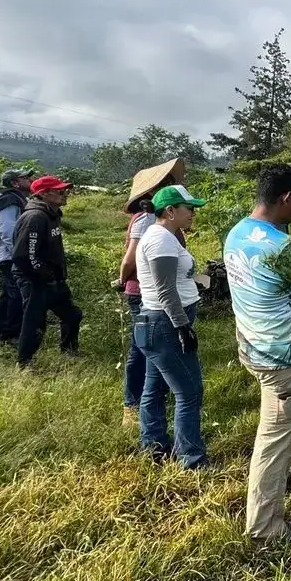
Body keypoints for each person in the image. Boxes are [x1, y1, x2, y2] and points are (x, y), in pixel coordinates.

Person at [223, 164, 291, 543]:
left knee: (274, 432)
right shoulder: (284, 247)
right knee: (274, 439)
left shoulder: (237, 232)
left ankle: (270, 506)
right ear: (286, 198)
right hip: (283, 357)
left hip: (253, 347)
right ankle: (265, 529)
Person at [135, 184, 209, 469]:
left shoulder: (166, 236)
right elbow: (165, 290)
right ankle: (191, 459)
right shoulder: (161, 240)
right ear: (170, 211)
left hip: (156, 323)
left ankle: (153, 446)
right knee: (189, 392)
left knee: (154, 389)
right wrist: (182, 326)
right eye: (189, 209)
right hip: (165, 324)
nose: (193, 214)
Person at [117, 160, 185, 427]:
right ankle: (133, 405)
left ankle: (151, 400)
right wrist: (123, 281)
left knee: (151, 347)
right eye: (166, 183)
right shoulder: (146, 219)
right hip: (147, 293)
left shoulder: (160, 219)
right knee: (143, 349)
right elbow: (130, 258)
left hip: (155, 291)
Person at [11, 175, 83, 370]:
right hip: (34, 279)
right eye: (59, 191)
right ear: (43, 194)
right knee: (34, 321)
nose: (65, 193)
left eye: (65, 190)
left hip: (52, 278)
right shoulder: (35, 217)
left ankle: (69, 351)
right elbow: (25, 255)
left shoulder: (53, 214)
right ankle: (24, 363)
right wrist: (43, 275)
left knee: (73, 315)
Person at [0, 167, 33, 345]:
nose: (29, 180)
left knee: (9, 292)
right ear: (15, 183)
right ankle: (11, 334)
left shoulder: (7, 197)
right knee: (16, 294)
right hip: (8, 254)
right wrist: (19, 256)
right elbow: (7, 231)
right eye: (25, 177)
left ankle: (3, 330)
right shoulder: (9, 200)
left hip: (6, 253)